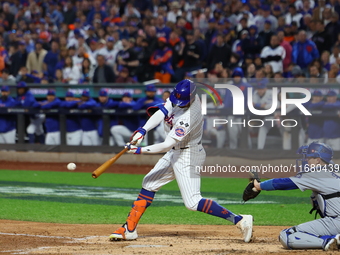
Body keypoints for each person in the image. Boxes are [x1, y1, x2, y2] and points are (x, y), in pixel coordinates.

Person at [109, 79, 253, 242]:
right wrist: (143, 130)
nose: (178, 103)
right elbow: (163, 111)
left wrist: (140, 150)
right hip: (176, 151)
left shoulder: (190, 116)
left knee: (192, 202)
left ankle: (241, 220)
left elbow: (166, 145)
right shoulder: (182, 93)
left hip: (188, 155)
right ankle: (129, 229)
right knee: (149, 183)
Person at [252, 142, 340, 251]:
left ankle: (329, 241)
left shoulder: (316, 173)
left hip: (337, 222)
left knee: (287, 235)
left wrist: (258, 185)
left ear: (318, 160)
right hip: (336, 222)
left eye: (309, 158)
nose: (306, 161)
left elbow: (284, 183)